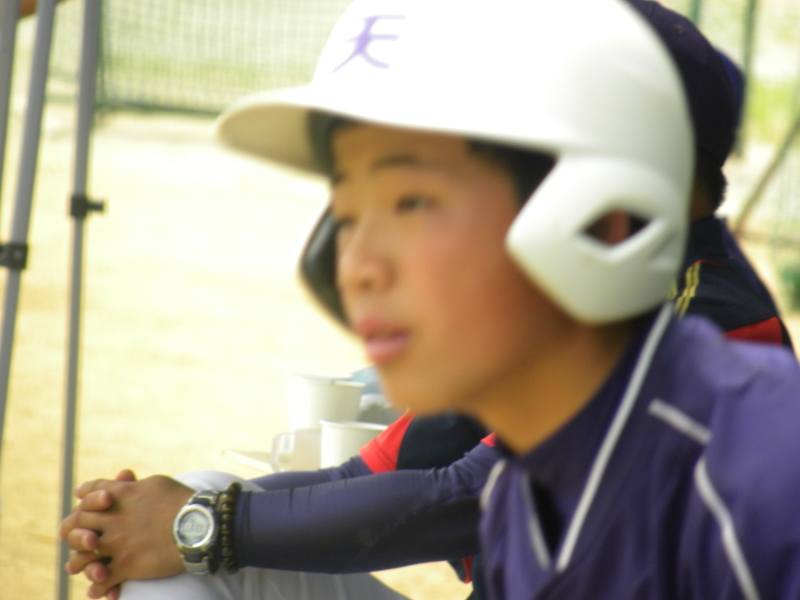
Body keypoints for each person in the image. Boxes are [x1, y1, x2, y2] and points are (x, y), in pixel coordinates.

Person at [60, 0, 800, 598]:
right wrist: (161, 517)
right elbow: (363, 478)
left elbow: (466, 499)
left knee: (205, 532)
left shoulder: (716, 324)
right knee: (199, 520)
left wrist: (208, 526)